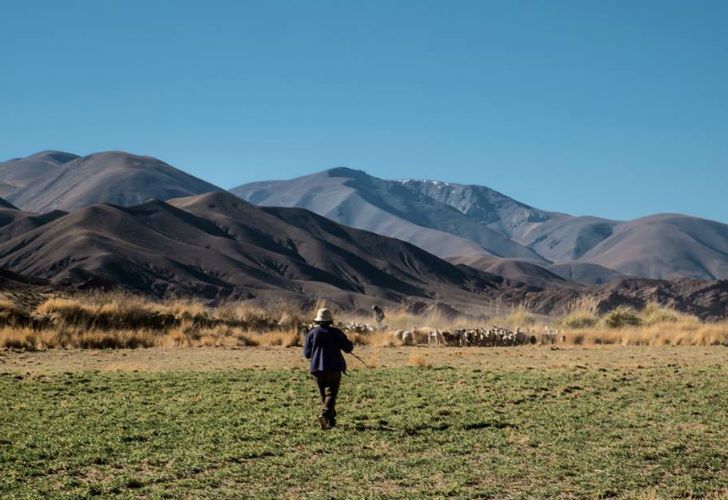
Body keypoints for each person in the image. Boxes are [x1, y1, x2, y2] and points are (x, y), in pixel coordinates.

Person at [303, 308, 354, 429]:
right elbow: (348, 348)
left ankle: (330, 421)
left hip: (317, 369)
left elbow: (307, 354)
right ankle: (325, 415)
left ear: (318, 321)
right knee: (331, 393)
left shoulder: (311, 334)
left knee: (324, 396)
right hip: (334, 367)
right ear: (330, 320)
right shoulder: (336, 332)